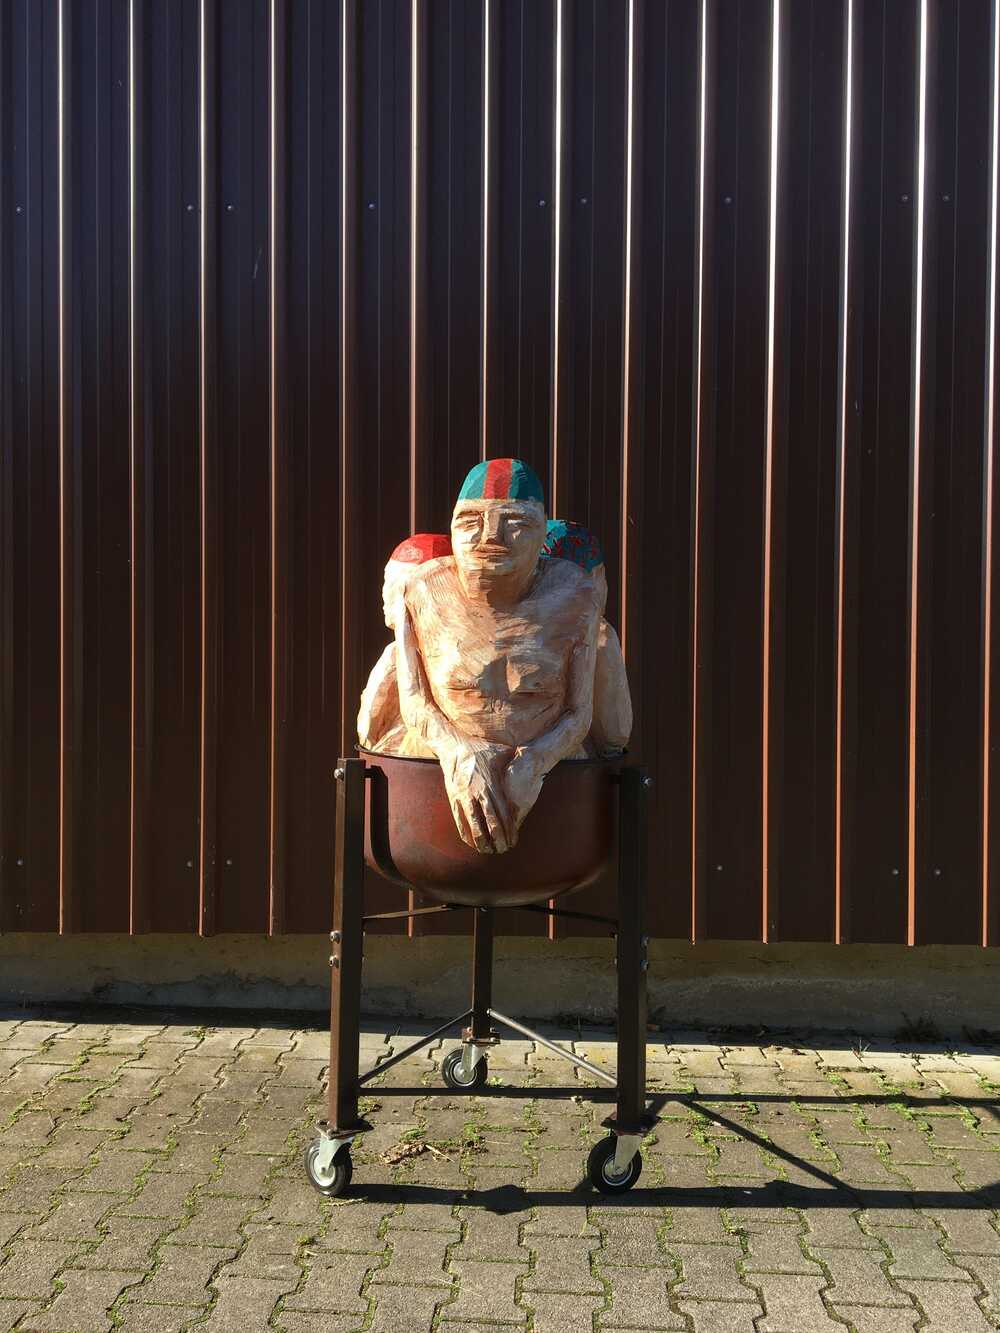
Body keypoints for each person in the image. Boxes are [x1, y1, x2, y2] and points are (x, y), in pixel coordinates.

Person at [394, 459, 609, 854]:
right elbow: (413, 698)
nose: (491, 537)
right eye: (470, 521)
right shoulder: (423, 589)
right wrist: (458, 754)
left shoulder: (574, 595)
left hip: (555, 795)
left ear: (542, 532)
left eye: (515, 522)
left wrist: (536, 761)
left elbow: (580, 713)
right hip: (433, 784)